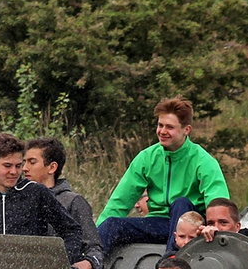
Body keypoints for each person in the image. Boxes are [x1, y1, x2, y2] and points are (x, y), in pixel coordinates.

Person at [95, 98, 230, 255]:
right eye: (160, 125)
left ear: (187, 129)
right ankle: (89, 266)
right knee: (111, 224)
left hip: (190, 228)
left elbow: (219, 202)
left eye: (170, 127)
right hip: (158, 224)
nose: (162, 131)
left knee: (180, 203)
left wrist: (215, 226)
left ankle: (171, 259)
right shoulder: (146, 158)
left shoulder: (203, 161)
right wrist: (94, 235)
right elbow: (120, 201)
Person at [0, 133, 94, 269]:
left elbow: (72, 230)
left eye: (18, 166)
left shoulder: (36, 192)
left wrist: (60, 263)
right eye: (7, 166)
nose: (14, 172)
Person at [24, 137, 103, 269]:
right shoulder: (16, 201)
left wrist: (88, 263)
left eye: (32, 162)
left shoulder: (73, 202)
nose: (24, 168)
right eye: (24, 162)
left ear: (52, 167)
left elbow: (94, 249)